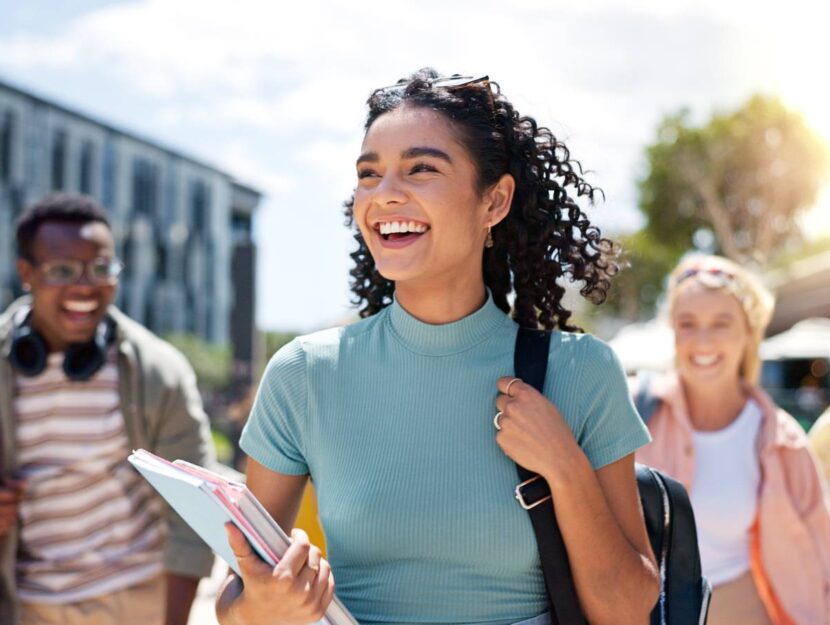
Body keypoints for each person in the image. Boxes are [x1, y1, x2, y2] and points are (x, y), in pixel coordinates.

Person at [216, 69, 659, 625]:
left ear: (494, 201)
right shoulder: (305, 373)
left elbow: (626, 611)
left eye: (421, 168)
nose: (384, 194)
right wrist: (264, 607)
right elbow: (234, 606)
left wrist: (564, 468)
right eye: (368, 174)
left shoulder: (581, 371)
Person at [0, 193, 216, 625]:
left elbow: (195, 514)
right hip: (25, 604)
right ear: (27, 273)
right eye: (62, 270)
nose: (85, 286)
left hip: (135, 601)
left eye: (101, 268)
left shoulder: (160, 371)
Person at [635, 254, 830, 625]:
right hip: (645, 612)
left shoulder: (783, 441)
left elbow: (822, 555)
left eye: (721, 323)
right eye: (687, 323)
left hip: (744, 610)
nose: (702, 340)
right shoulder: (632, 413)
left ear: (748, 333)